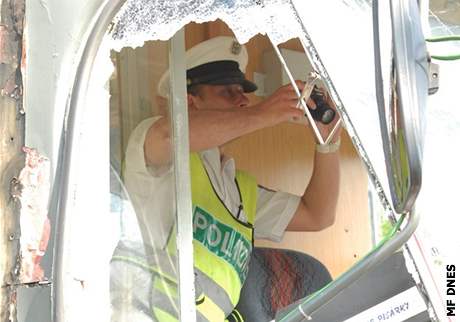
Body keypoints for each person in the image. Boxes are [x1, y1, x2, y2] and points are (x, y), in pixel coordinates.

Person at [110, 36, 341, 322]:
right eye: (228, 92)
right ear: (189, 102)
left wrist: (328, 142)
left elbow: (318, 215)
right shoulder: (161, 153)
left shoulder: (238, 190)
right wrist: (263, 114)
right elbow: (171, 135)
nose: (243, 100)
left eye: (242, 92)